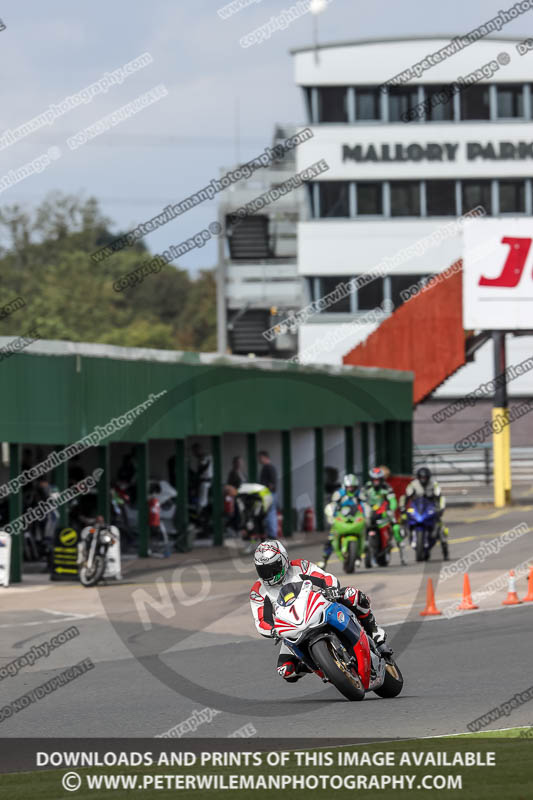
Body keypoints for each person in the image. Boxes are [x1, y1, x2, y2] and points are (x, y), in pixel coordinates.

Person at [249, 541, 392, 683]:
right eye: (263, 570)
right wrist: (273, 630)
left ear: (284, 560)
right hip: (292, 627)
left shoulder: (299, 566)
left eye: (272, 568)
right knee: (286, 670)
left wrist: (330, 588)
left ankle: (374, 631)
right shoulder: (258, 591)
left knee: (352, 595)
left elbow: (325, 577)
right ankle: (321, 665)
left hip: (316, 607)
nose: (268, 574)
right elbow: (261, 621)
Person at [360, 466, 406, 565]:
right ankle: (358, 555)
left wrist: (391, 508)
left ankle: (402, 554)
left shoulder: (387, 487)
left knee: (396, 527)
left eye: (378, 479)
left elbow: (392, 500)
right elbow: (361, 500)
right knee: (360, 526)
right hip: (370, 513)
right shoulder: (366, 487)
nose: (376, 482)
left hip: (384, 512)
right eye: (374, 479)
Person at [401, 467, 449, 560]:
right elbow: (406, 496)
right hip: (417, 508)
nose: (423, 480)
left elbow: (440, 497)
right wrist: (402, 507)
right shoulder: (413, 484)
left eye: (425, 478)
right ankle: (407, 533)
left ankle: (445, 548)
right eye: (422, 478)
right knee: (405, 519)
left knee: (440, 526)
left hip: (430, 507)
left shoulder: (434, 484)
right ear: (418, 477)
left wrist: (441, 508)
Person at [318, 473, 364, 569]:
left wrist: (366, 515)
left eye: (353, 487)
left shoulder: (360, 494)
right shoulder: (339, 494)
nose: (351, 489)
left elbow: (365, 506)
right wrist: (331, 515)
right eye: (349, 487)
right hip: (341, 519)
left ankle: (359, 556)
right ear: (345, 486)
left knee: (364, 533)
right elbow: (332, 505)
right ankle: (324, 560)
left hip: (355, 519)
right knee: (331, 538)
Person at [258, 451, 277, 539]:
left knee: (269, 514)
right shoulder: (268, 467)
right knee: (269, 514)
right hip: (269, 493)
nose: (259, 460)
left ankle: (272, 534)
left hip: (269, 494)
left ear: (265, 457)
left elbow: (272, 483)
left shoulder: (268, 467)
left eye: (260, 458)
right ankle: (270, 533)